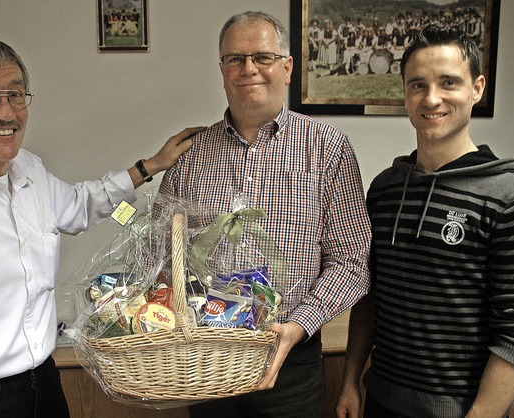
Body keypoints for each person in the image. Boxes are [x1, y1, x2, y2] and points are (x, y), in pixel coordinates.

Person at [0, 36, 204, 418]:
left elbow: (79, 205)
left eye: (15, 94)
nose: (6, 113)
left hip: (45, 386)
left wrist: (151, 166)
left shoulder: (29, 169)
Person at [157, 11, 371, 418]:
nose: (248, 69)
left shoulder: (328, 148)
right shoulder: (189, 156)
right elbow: (159, 254)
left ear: (287, 67)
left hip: (292, 361)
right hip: (207, 363)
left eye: (263, 57)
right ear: (221, 71)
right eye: (234, 59)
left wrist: (299, 325)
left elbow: (352, 260)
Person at [335, 24, 514, 418]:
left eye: (448, 82)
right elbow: (368, 295)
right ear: (405, 94)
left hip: (463, 411)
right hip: (380, 400)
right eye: (417, 85)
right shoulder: (384, 190)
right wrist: (350, 381)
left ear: (476, 88)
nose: (432, 98)